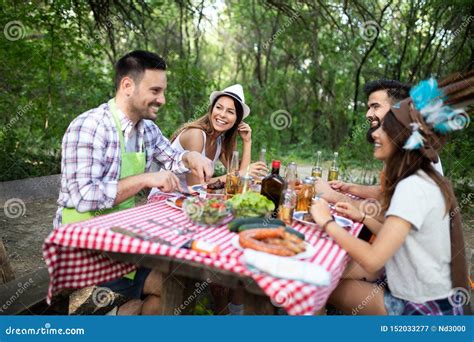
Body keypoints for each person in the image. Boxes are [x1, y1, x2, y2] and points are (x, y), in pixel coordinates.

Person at [54, 50, 213, 315]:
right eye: (155, 90)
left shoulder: (146, 128)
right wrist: (145, 178)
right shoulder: (90, 126)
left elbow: (172, 157)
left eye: (163, 91)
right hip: (85, 250)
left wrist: (190, 156)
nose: (162, 99)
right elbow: (84, 197)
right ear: (127, 86)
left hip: (122, 242)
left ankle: (124, 315)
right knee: (171, 287)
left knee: (178, 285)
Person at [311, 76, 471, 315]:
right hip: (436, 297)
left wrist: (326, 221)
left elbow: (375, 259)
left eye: (385, 128)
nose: (375, 134)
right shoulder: (419, 174)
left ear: (402, 136)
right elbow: (398, 234)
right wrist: (362, 216)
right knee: (333, 270)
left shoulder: (413, 186)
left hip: (422, 312)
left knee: (323, 283)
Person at [150, 84, 268, 195]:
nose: (222, 114)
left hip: (191, 201)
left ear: (237, 119)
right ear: (211, 110)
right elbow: (195, 188)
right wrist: (240, 174)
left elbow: (240, 181)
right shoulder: (196, 135)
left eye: (230, 112)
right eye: (219, 108)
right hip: (166, 198)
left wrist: (247, 141)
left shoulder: (219, 142)